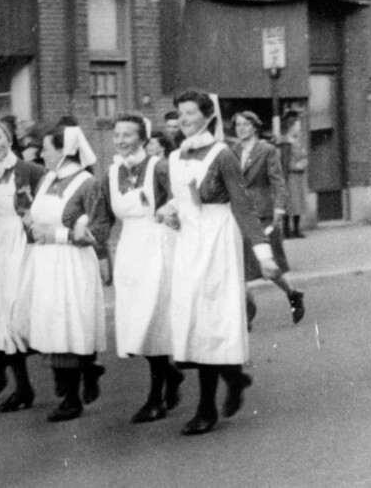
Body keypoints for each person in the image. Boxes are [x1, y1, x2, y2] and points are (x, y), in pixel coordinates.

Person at [157, 91, 279, 436]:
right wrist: (169, 211)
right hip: (188, 242)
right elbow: (179, 199)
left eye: (191, 112)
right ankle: (235, 377)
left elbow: (242, 205)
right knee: (193, 318)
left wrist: (263, 254)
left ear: (208, 117)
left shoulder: (222, 155)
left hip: (217, 241)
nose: (183, 118)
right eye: (180, 113)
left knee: (212, 320)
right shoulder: (175, 155)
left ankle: (206, 407)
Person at [91, 114, 183, 424]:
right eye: (116, 135)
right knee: (134, 322)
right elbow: (102, 216)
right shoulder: (112, 172)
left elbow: (179, 199)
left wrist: (170, 210)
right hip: (129, 249)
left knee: (151, 320)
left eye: (127, 135)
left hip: (158, 245)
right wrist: (100, 250)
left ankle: (155, 396)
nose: (119, 141)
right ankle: (170, 374)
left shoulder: (159, 166)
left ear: (142, 138)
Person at [26, 121, 106, 422]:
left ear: (63, 151)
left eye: (45, 149)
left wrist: (58, 236)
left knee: (68, 325)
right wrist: (30, 222)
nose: (41, 154)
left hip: (71, 263)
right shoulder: (47, 179)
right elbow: (38, 213)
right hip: (45, 261)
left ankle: (72, 399)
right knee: (50, 323)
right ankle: (85, 369)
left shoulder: (87, 184)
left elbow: (99, 229)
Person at [0, 119, 45, 413]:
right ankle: (23, 388)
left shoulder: (30, 170)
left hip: (25, 243)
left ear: (8, 139)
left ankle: (71, 374)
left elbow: (48, 204)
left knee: (25, 310)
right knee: (4, 313)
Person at [230, 111, 305, 328]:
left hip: (261, 214)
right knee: (239, 265)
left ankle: (292, 293)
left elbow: (278, 182)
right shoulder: (232, 151)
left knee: (268, 267)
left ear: (255, 127)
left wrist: (279, 209)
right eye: (238, 125)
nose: (241, 129)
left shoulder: (267, 150)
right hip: (237, 214)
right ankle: (246, 312)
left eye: (245, 125)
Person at [278, 111, 309, 239]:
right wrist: (294, 166)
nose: (299, 126)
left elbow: (304, 155)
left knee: (298, 203)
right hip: (289, 177)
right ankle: (286, 230)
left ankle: (296, 229)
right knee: (289, 203)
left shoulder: (300, 140)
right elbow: (284, 160)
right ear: (291, 125)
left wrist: (303, 163)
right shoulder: (285, 141)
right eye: (297, 123)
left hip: (298, 177)